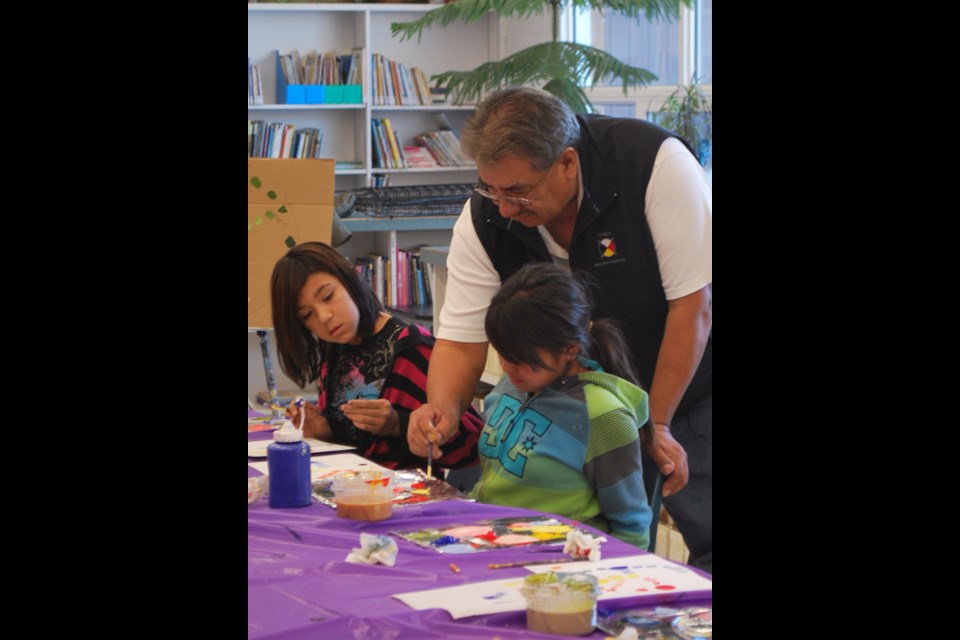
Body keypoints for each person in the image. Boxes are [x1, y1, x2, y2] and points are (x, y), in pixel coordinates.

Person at [407, 87, 712, 573]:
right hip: (570, 408)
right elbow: (460, 336)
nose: (504, 208)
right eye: (493, 190)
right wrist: (442, 406)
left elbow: (693, 309)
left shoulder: (654, 166)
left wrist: (656, 423)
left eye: (519, 192)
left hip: (690, 384)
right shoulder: (486, 213)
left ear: (567, 163)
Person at [470, 263, 653, 549]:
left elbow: (632, 527)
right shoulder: (516, 382)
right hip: (488, 543)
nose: (507, 367)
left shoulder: (603, 416)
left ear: (570, 348)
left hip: (556, 568)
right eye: (502, 353)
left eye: (520, 359)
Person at [271, 241, 482, 472]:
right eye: (307, 315)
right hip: (349, 489)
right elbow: (353, 446)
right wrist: (325, 430)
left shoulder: (410, 347)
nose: (324, 317)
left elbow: (471, 447)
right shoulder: (335, 348)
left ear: (350, 280)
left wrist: (398, 424)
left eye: (328, 296)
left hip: (404, 497)